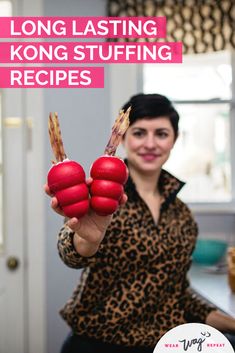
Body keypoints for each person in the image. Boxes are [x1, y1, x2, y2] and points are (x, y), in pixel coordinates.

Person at [45, 93, 235, 353]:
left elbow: (178, 294)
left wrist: (230, 323)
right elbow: (71, 254)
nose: (150, 143)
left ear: (174, 140)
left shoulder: (181, 216)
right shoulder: (102, 198)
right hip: (97, 344)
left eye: (161, 133)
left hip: (161, 345)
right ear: (122, 137)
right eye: (139, 133)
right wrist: (86, 240)